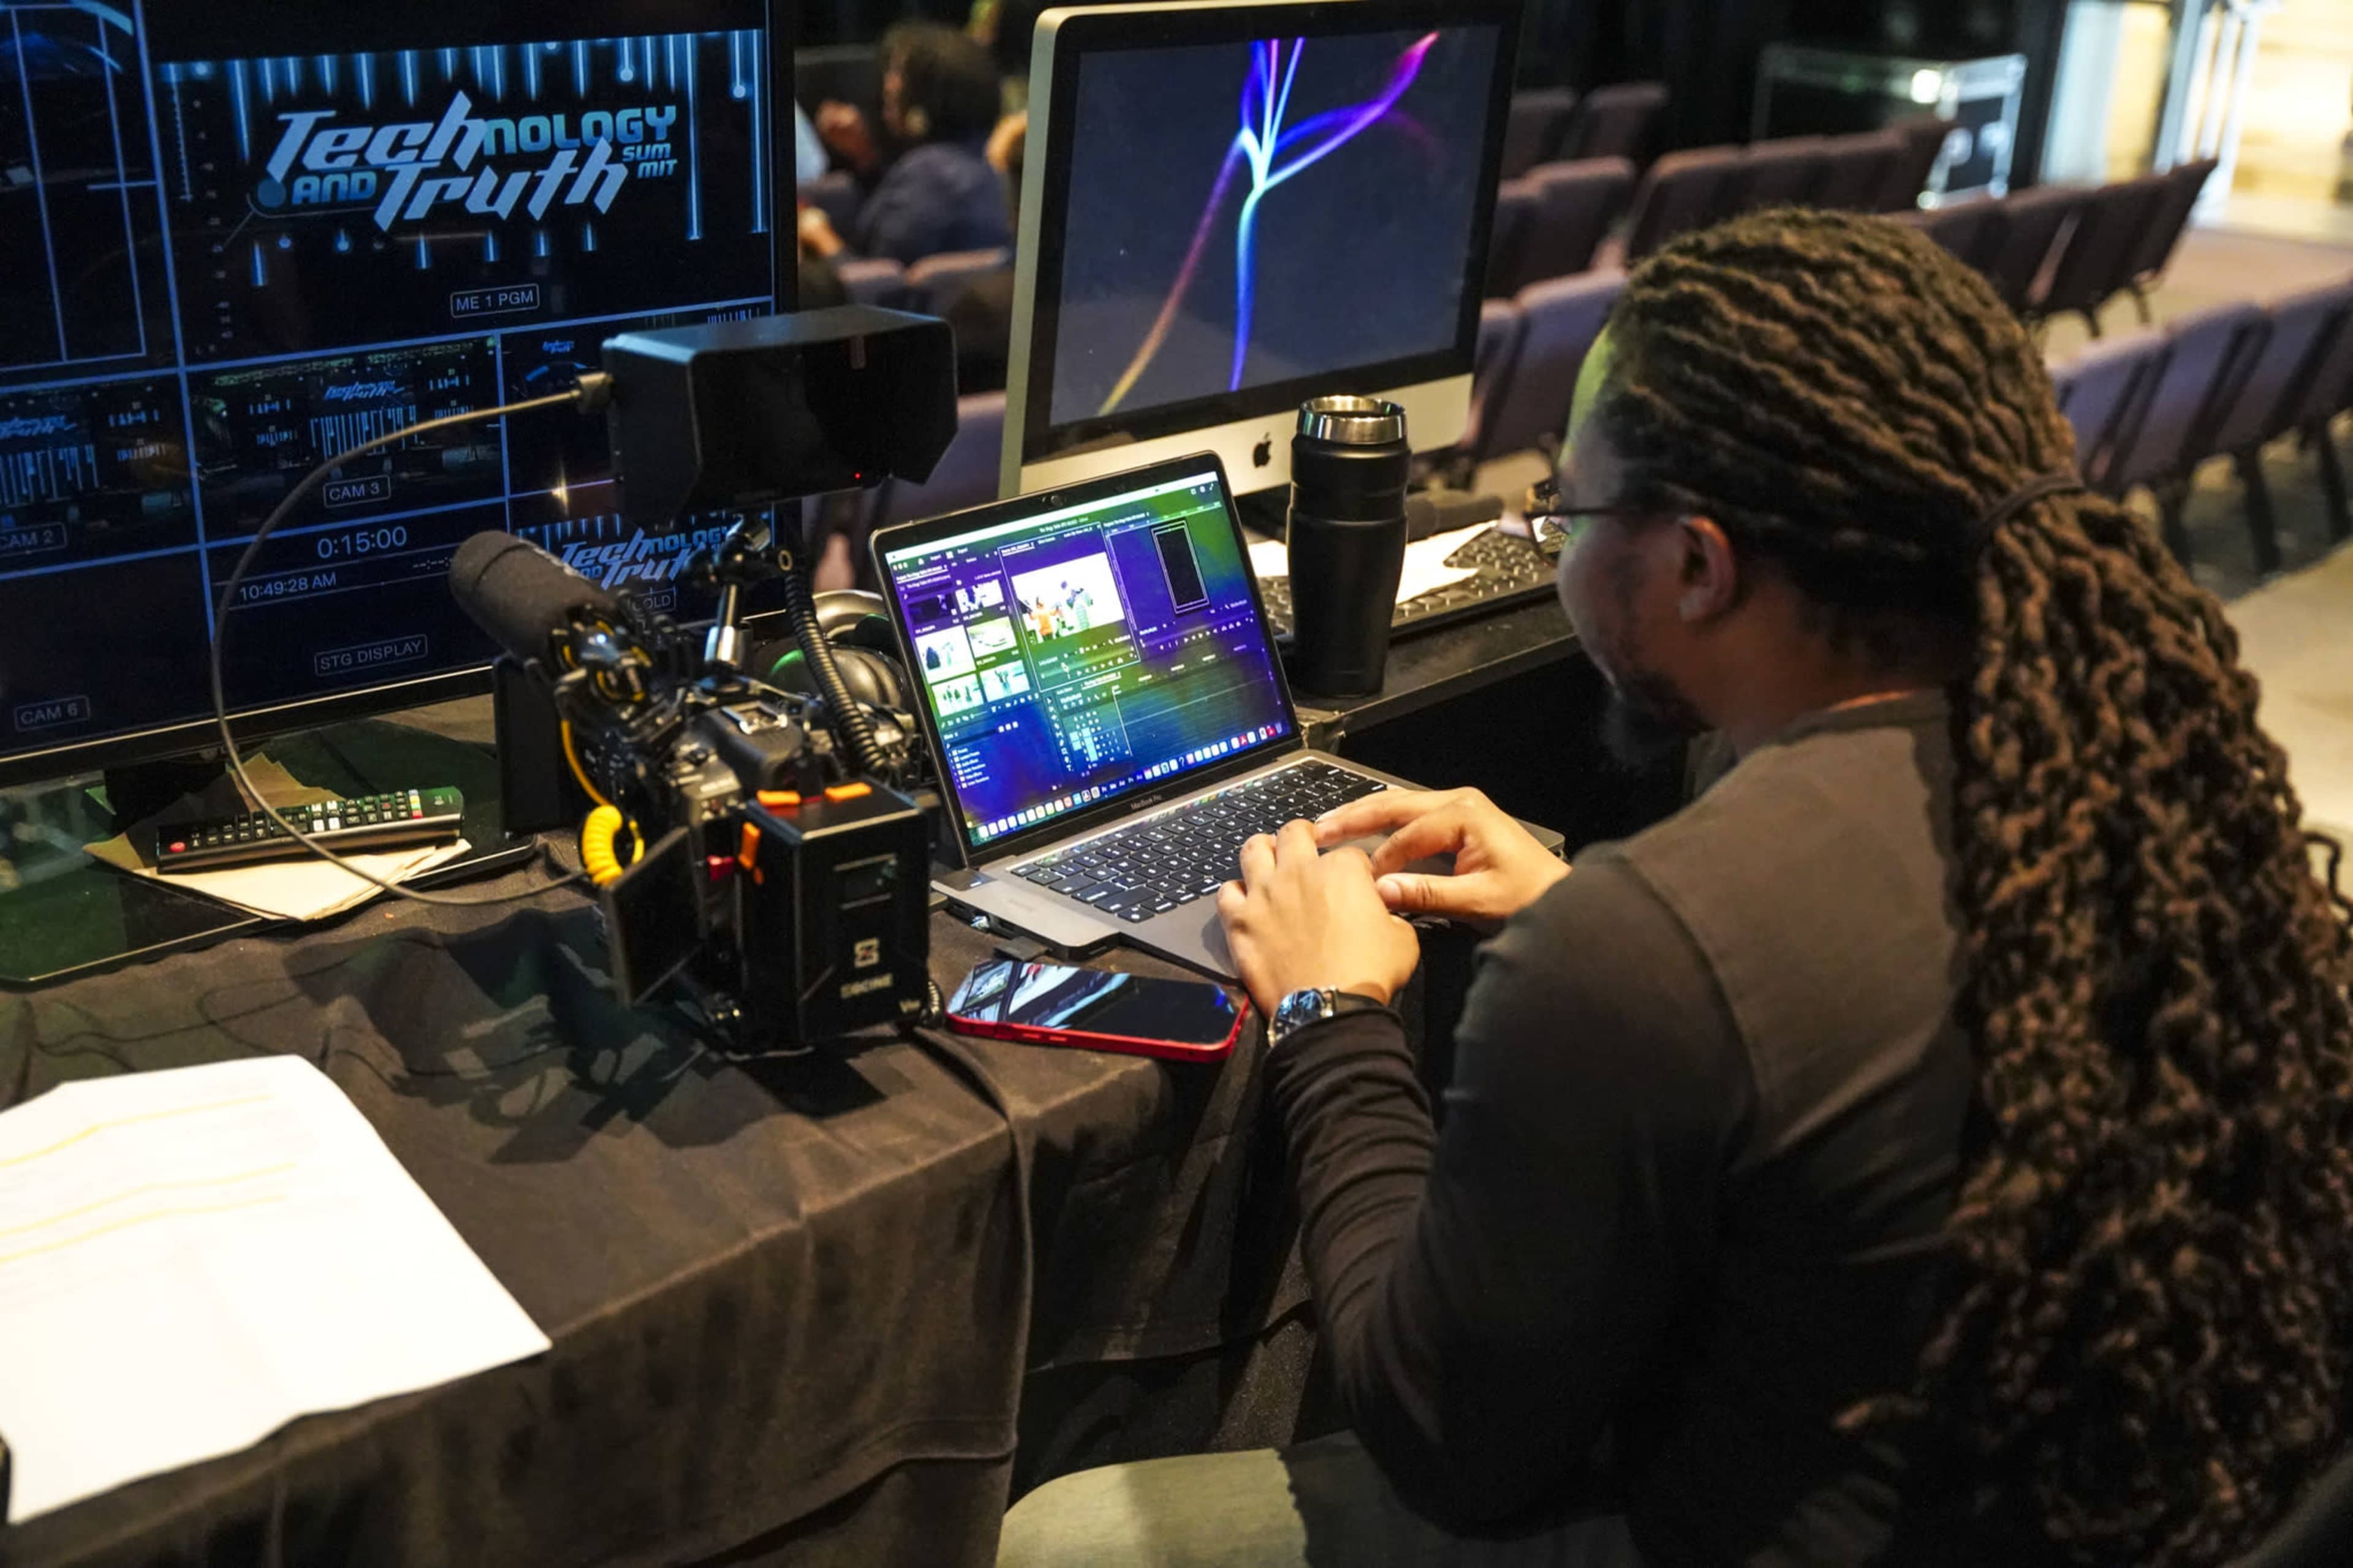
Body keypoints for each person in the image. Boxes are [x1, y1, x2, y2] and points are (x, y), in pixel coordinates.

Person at [996, 209, 2353, 1566]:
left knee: (1071, 1537)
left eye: (1565, 510)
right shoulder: (2132, 781)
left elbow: (1441, 1433)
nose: (1559, 543)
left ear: (1700, 565)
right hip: (2067, 1499)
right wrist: (1585, 898)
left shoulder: (1648, 951)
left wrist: (1330, 1013)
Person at [799, 23, 1011, 268]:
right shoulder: (988, 156)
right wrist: (866, 157)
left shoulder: (927, 174)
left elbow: (881, 286)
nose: (889, 85)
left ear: (930, 92)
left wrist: (818, 233)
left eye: (899, 73)